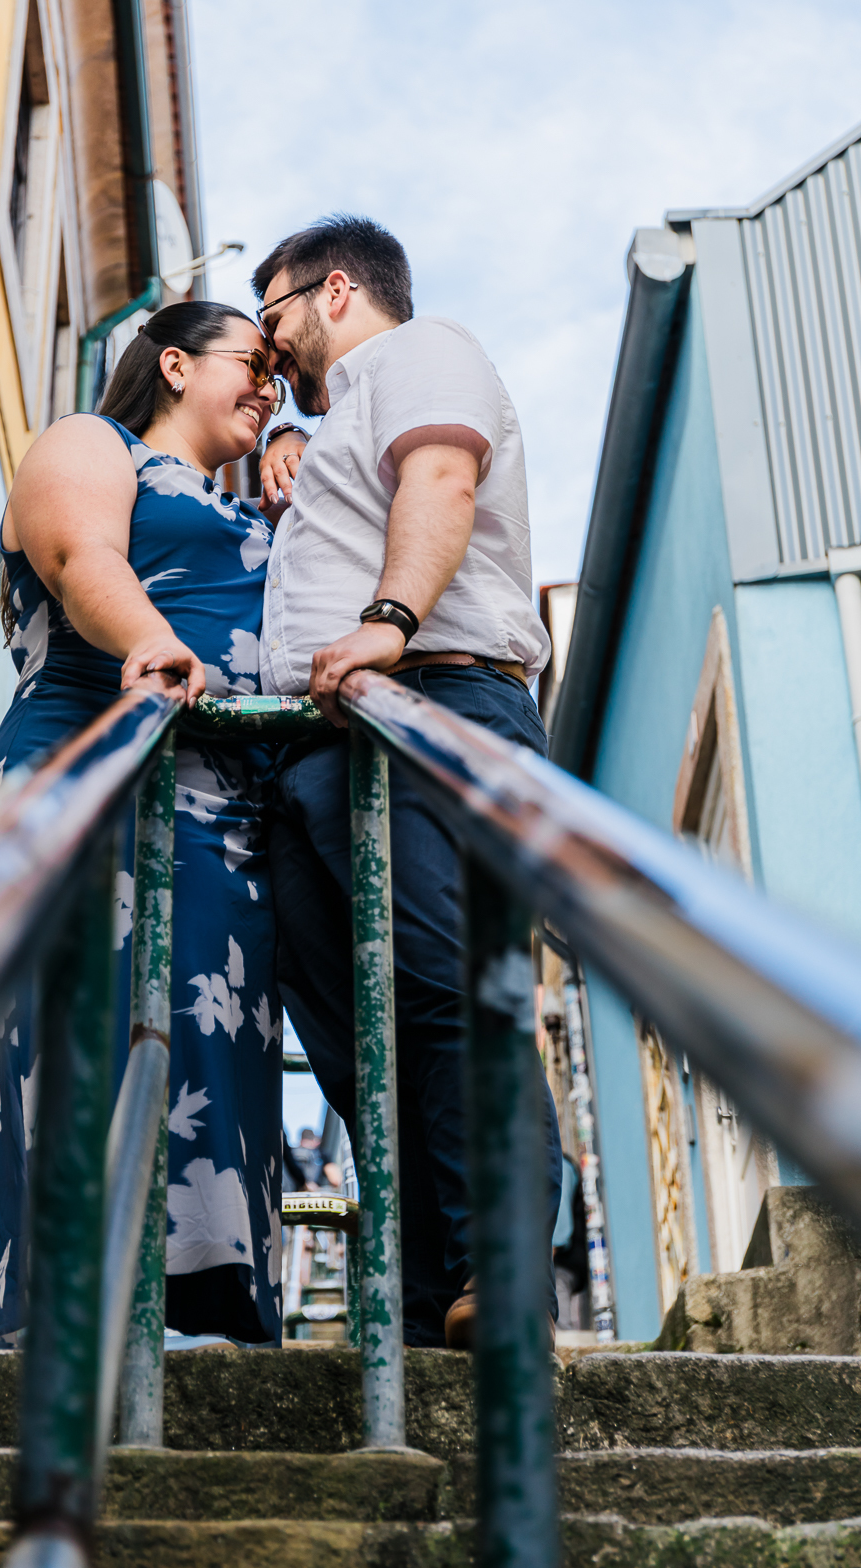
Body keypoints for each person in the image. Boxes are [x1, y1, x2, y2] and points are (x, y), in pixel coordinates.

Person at [251, 215, 564, 1350]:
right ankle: (437, 1290)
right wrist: (294, 441)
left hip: (433, 698)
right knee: (344, 1020)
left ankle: (504, 1261)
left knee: (439, 981)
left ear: (335, 291)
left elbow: (441, 474)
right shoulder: (333, 418)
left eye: (272, 315)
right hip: (320, 741)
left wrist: (388, 620)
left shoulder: (427, 353)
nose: (267, 345)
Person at [0, 301, 287, 1348]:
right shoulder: (91, 442)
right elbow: (77, 556)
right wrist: (153, 645)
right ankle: (79, 1335)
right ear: (172, 363)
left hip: (230, 823)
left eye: (281, 379)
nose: (268, 387)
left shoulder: (253, 504)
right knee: (95, 1032)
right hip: (96, 769)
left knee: (214, 1057)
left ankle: (214, 1333)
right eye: (252, 364)